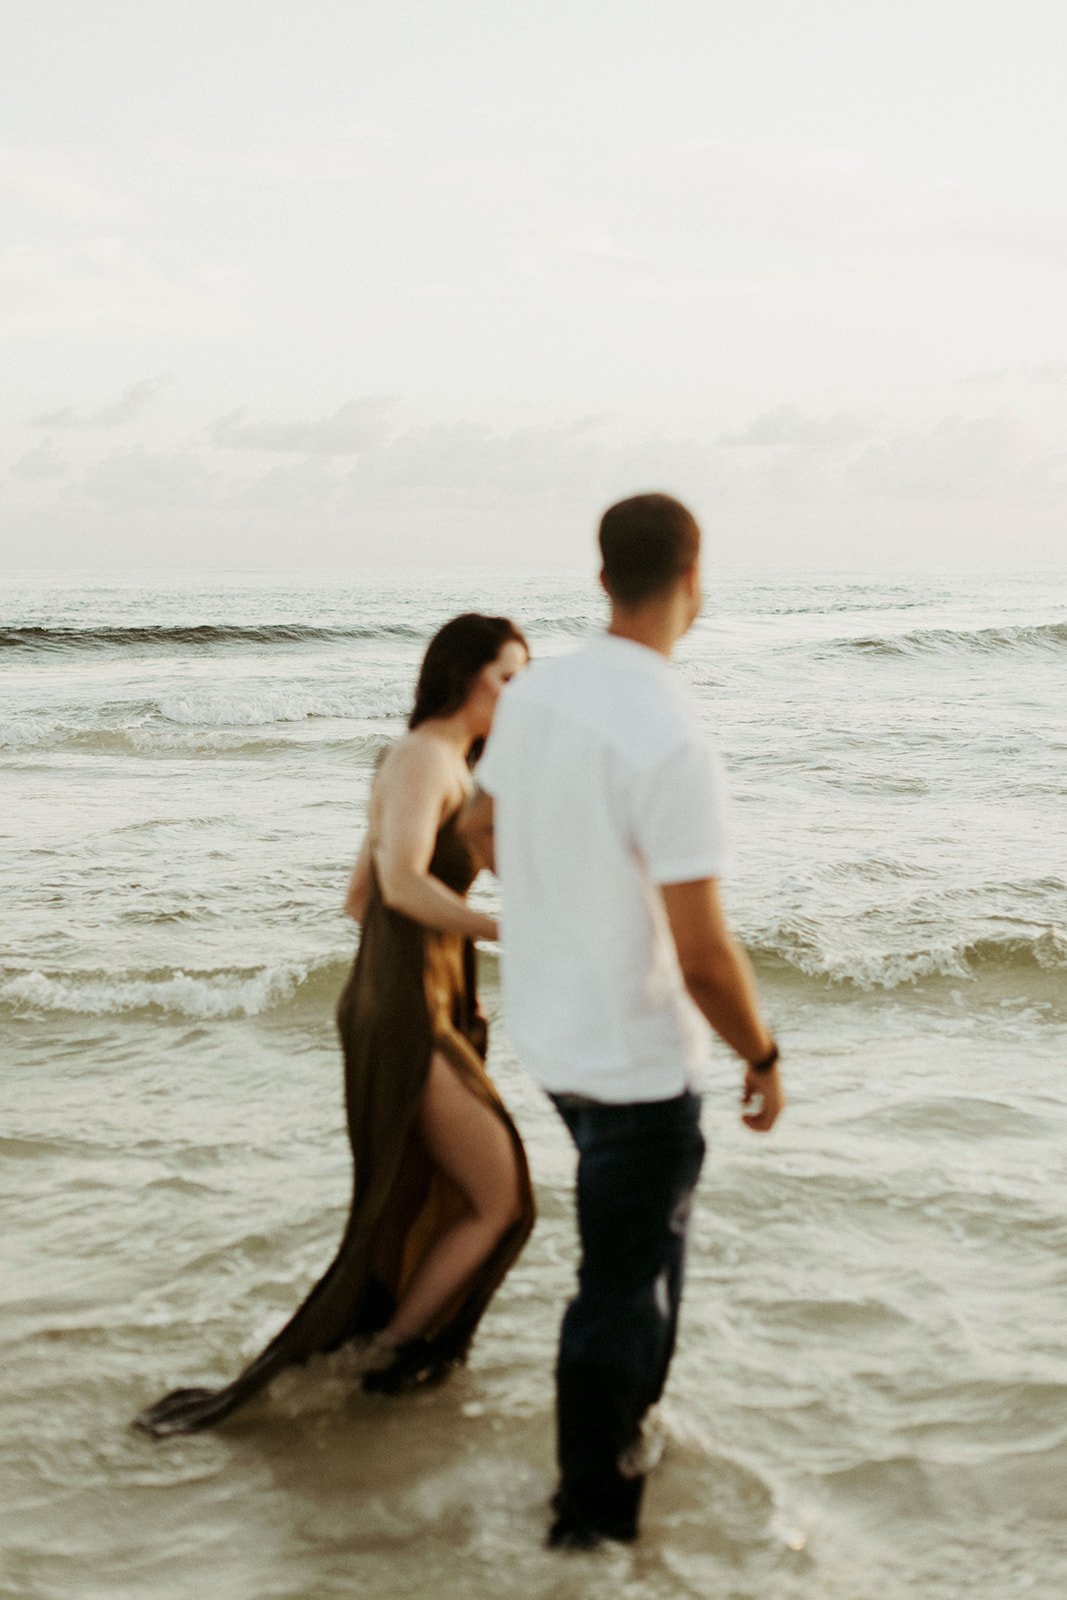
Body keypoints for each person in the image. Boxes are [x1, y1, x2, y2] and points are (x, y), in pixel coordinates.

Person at [462, 495, 784, 1548]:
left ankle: (620, 1444)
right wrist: (762, 1053)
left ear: (603, 579)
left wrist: (555, 909)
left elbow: (478, 819)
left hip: (554, 1041)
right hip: (636, 1062)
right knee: (620, 1288)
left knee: (638, 1267)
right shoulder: (669, 732)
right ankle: (587, 1526)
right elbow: (700, 952)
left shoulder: (537, 691)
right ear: (694, 581)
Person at [135, 614, 535, 1437]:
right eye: (508, 676)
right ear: (462, 674)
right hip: (405, 1009)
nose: (518, 695)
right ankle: (381, 1359)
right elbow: (396, 886)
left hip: (405, 1001)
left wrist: (449, 979)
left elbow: (360, 897)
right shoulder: (428, 758)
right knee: (501, 1197)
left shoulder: (424, 758)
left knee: (439, 1190)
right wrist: (505, 932)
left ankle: (377, 1352)